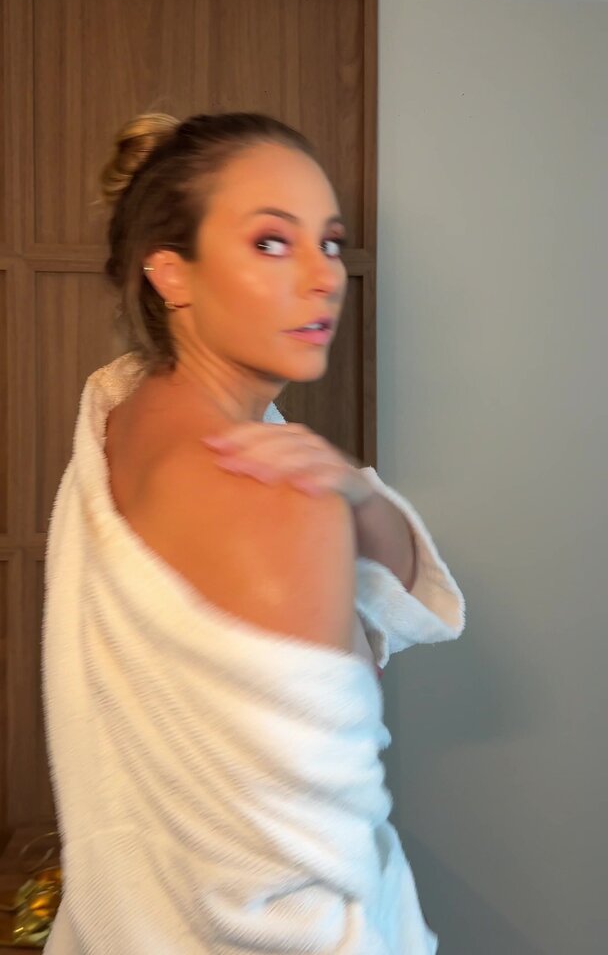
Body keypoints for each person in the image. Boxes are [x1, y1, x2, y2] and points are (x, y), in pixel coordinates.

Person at [42, 112, 465, 953]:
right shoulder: (269, 495)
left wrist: (358, 496)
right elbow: (288, 902)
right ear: (172, 272)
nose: (324, 277)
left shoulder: (127, 412)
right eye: (272, 242)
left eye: (329, 243)